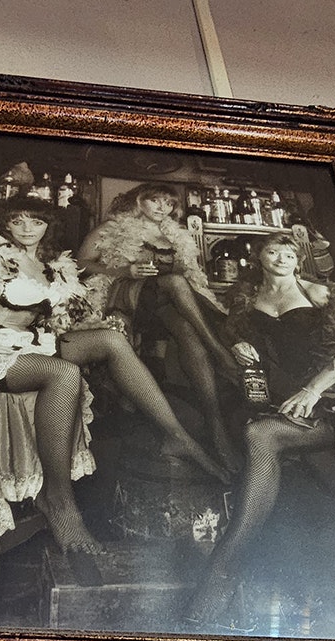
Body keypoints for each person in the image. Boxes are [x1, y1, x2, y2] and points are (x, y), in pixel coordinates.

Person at [0, 197, 222, 568]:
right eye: (18, 220)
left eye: (36, 222)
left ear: (47, 227)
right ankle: (59, 501)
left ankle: (176, 435)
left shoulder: (50, 265)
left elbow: (59, 317)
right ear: (6, 224)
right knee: (64, 372)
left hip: (29, 344)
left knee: (110, 340)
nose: (27, 229)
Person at [185, 234, 335, 632]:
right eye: (274, 251)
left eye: (290, 252)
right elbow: (247, 354)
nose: (282, 258)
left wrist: (312, 390)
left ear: (299, 259)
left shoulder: (320, 292)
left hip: (333, 400)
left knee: (262, 435)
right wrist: (243, 349)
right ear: (259, 257)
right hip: (281, 399)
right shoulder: (245, 301)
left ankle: (221, 573)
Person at [77, 183, 238, 466]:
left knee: (187, 329)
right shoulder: (111, 227)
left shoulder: (176, 236)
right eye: (155, 201)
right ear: (139, 202)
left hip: (162, 305)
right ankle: (219, 351)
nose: (162, 208)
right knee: (176, 282)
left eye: (168, 203)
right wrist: (123, 269)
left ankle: (217, 428)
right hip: (126, 295)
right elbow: (82, 262)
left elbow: (193, 276)